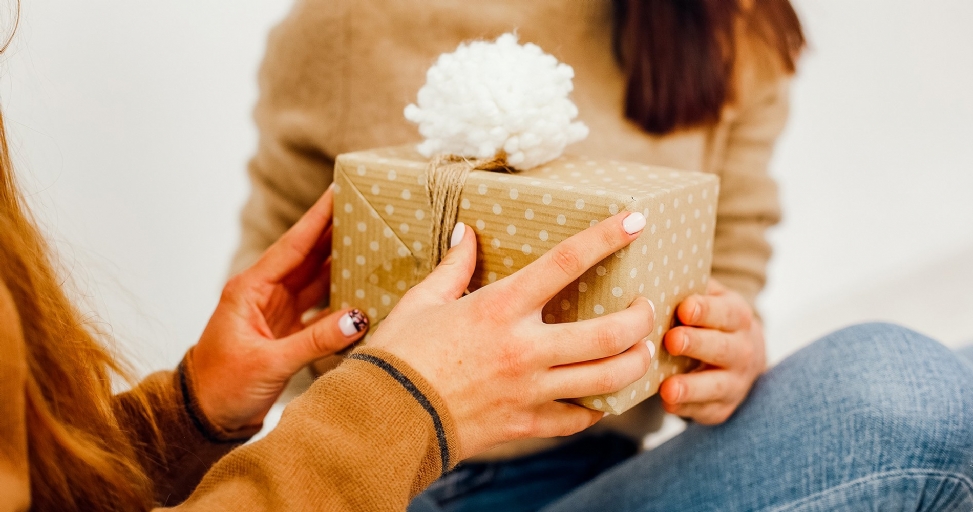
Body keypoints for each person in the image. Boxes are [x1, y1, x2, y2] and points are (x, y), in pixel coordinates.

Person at [228, 1, 973, 510]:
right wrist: (417, 374)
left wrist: (723, 350)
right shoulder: (340, 29)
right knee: (906, 385)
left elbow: (728, 256)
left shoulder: (728, 26)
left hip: (599, 470)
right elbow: (270, 306)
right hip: (386, 473)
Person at [0, 98, 662, 509]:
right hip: (378, 473)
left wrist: (188, 410)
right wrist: (401, 407)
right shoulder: (341, 22)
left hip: (581, 461)